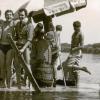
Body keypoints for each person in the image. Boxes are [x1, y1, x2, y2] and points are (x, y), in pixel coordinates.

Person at [58, 21, 91, 86]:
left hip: (77, 52)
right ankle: (75, 84)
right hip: (72, 52)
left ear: (79, 27)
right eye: (75, 28)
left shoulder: (81, 34)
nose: (76, 29)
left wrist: (75, 49)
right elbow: (72, 44)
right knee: (71, 68)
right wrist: (70, 53)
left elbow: (82, 46)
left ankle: (81, 72)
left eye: (77, 28)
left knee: (69, 66)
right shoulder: (74, 33)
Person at [14, 9, 34, 89]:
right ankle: (19, 83)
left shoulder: (30, 25)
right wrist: (14, 40)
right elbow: (16, 36)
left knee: (27, 66)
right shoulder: (18, 24)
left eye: (22, 15)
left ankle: (27, 83)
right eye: (20, 15)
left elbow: (29, 40)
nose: (21, 16)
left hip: (26, 47)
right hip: (18, 46)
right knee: (17, 65)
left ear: (26, 15)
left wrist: (23, 49)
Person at [30, 23, 54, 87]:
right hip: (48, 70)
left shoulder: (36, 42)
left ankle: (29, 82)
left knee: (32, 62)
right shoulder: (46, 42)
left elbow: (35, 56)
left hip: (40, 66)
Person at [0, 10, 15, 88]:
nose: (8, 16)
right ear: (5, 16)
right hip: (1, 45)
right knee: (1, 66)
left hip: (10, 47)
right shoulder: (2, 23)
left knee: (8, 66)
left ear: (12, 16)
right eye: (7, 15)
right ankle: (3, 83)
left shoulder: (15, 24)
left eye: (10, 15)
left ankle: (9, 83)